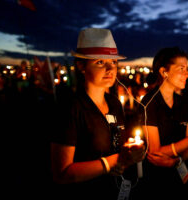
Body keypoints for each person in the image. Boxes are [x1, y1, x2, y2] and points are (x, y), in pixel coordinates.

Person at [50, 28, 145, 197]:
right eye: (100, 62)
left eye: (114, 62)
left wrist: (132, 152)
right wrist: (112, 162)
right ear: (81, 66)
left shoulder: (115, 104)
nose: (110, 69)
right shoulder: (71, 108)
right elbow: (61, 173)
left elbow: (119, 149)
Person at [139, 47, 188, 198]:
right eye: (181, 69)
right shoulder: (149, 103)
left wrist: (177, 161)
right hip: (155, 181)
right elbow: (155, 152)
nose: (187, 74)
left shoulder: (183, 103)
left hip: (180, 174)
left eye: (187, 69)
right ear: (164, 72)